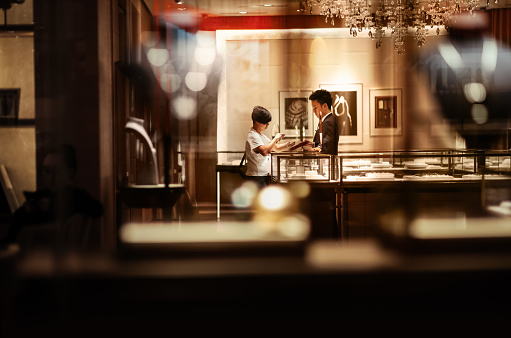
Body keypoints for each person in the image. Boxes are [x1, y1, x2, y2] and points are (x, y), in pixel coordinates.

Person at [0, 144, 103, 248]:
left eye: (57, 170)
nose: (51, 177)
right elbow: (15, 227)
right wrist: (27, 210)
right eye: (47, 171)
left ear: (70, 172)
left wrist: (52, 205)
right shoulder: (40, 195)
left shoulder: (77, 196)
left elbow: (97, 210)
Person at [245, 106, 294, 188]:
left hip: (263, 176)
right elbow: (264, 151)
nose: (267, 125)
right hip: (256, 178)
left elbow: (276, 148)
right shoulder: (253, 135)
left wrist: (288, 145)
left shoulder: (261, 135)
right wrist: (275, 138)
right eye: (265, 122)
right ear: (257, 122)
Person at [306, 89, 340, 155]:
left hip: (326, 162)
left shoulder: (329, 121)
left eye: (315, 107)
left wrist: (318, 147)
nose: (313, 111)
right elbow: (324, 142)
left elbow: (327, 144)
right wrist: (314, 144)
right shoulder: (327, 120)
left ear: (324, 106)